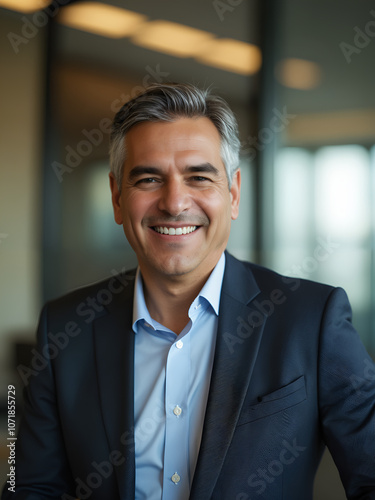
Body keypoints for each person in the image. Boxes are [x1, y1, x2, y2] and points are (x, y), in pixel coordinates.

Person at [2, 83, 375, 500]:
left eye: (199, 177)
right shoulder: (63, 328)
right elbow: (25, 485)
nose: (175, 202)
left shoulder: (312, 319)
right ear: (116, 197)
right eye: (148, 178)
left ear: (232, 194)